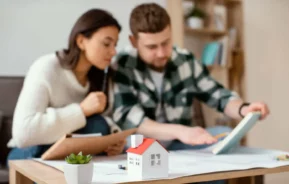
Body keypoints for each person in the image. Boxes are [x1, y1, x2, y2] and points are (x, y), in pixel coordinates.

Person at [112, 3, 270, 151]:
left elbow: (217, 95)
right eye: (152, 47)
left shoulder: (185, 60)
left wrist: (244, 109)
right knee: (124, 144)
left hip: (179, 143)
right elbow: (132, 121)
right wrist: (181, 131)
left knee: (225, 134)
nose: (161, 53)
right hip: (141, 145)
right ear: (133, 42)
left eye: (166, 43)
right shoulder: (123, 64)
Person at [7, 9, 125, 161]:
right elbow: (23, 134)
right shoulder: (46, 67)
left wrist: (113, 137)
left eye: (115, 45)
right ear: (81, 41)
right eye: (106, 43)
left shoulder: (102, 76)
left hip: (69, 152)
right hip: (28, 151)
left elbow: (103, 120)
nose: (113, 51)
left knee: (99, 125)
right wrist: (81, 111)